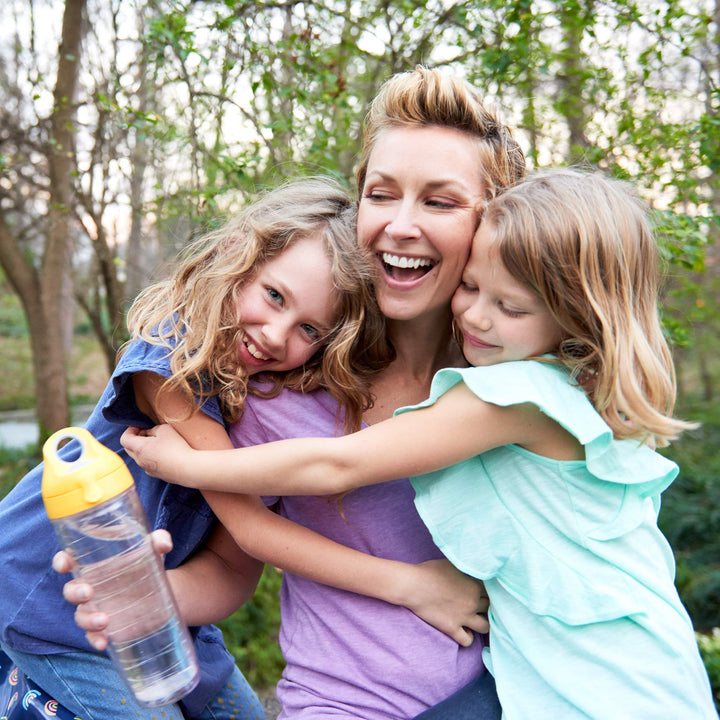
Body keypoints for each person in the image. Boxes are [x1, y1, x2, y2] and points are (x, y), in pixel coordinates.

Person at [121, 168, 718, 719]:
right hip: (597, 665)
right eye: (472, 287)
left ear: (578, 317)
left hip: (616, 678)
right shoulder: (559, 393)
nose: (477, 318)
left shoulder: (517, 395)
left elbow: (337, 463)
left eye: (509, 306)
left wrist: (191, 462)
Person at [66, 66, 527, 719]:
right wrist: (145, 590)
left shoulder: (518, 381)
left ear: (496, 218)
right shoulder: (271, 391)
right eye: (382, 193)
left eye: (440, 201)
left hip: (516, 692)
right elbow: (242, 546)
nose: (400, 224)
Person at [0, 176, 396, 720]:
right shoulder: (169, 356)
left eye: (309, 328)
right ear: (240, 256)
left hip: (164, 611)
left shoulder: (269, 406)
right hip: (52, 606)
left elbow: (234, 570)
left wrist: (149, 594)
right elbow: (251, 520)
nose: (277, 335)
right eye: (273, 295)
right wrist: (409, 586)